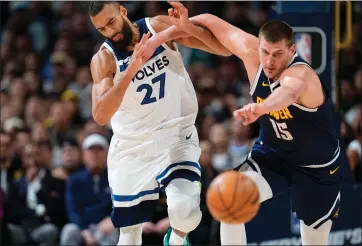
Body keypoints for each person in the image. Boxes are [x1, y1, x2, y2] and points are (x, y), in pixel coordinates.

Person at [160, 2, 342, 245]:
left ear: (292, 51)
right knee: (229, 202)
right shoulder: (251, 52)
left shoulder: (301, 76)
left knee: (314, 241)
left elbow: (287, 94)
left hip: (316, 166)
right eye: (265, 52)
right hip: (273, 155)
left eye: (277, 54)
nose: (269, 61)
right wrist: (184, 26)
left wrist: (261, 107)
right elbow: (210, 20)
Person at [87, 1, 231, 245]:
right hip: (133, 147)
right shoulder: (104, 59)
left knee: (186, 213)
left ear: (123, 11)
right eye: (102, 29)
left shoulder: (158, 27)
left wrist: (188, 27)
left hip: (176, 135)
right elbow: (100, 115)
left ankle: (175, 239)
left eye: (111, 22)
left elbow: (224, 50)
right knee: (130, 234)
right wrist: (131, 71)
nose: (110, 32)